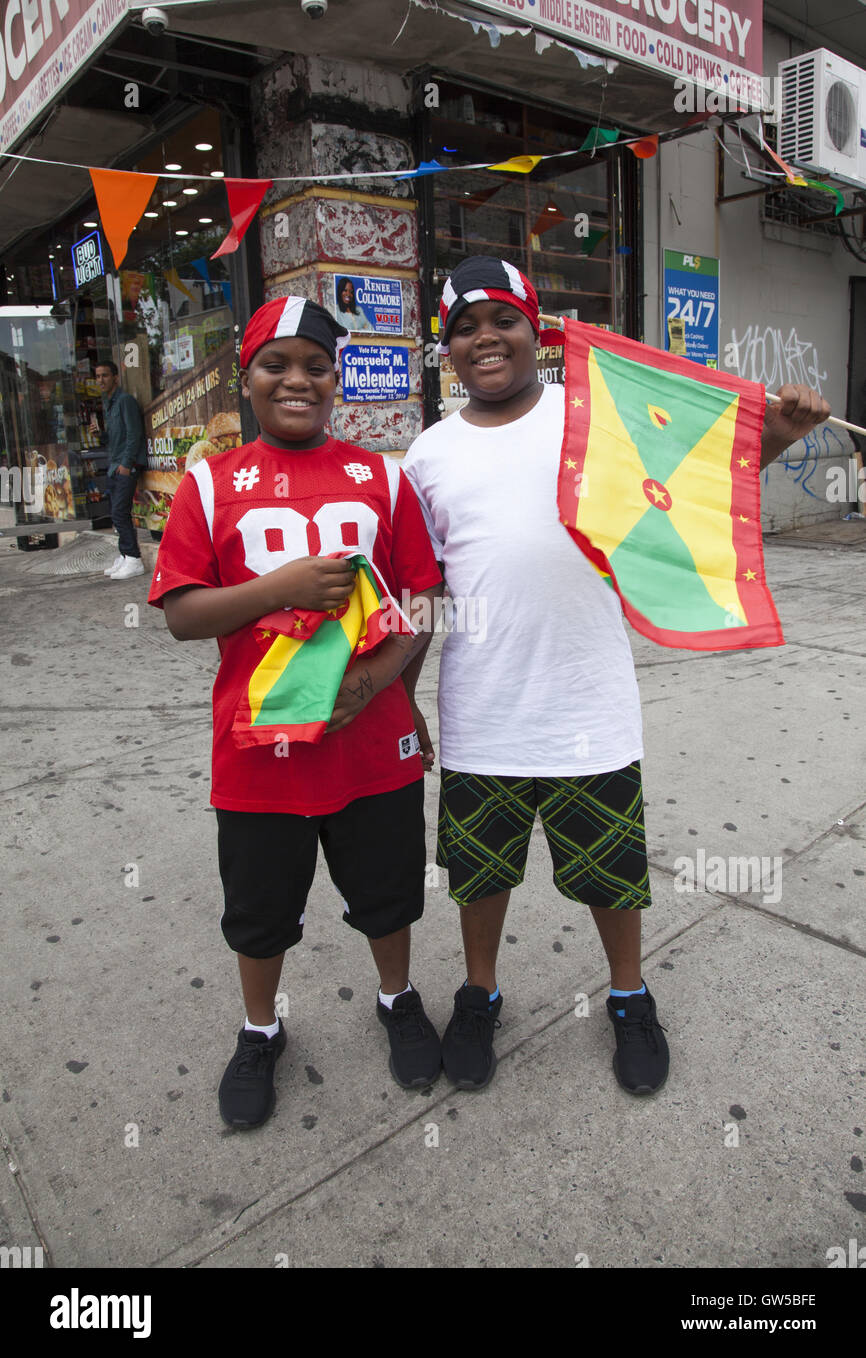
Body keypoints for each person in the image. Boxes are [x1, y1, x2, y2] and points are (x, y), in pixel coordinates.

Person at [401, 256, 831, 1097]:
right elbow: (425, 589)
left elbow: (705, 484)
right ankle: (480, 992)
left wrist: (783, 431)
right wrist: (402, 694)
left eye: (503, 320)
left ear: (539, 331)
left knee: (612, 874)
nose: (484, 339)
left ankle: (629, 996)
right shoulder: (428, 453)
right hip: (482, 709)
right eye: (463, 327)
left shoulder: (593, 416)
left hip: (588, 706)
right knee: (478, 876)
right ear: (446, 348)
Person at [147, 296, 444, 1129]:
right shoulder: (208, 484)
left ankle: (397, 998)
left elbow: (422, 601)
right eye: (276, 364)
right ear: (245, 380)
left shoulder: (382, 475)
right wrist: (277, 589)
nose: (297, 379)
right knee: (260, 907)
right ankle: (260, 1028)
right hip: (257, 749)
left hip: (370, 738)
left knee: (388, 890)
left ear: (337, 378)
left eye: (316, 364)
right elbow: (180, 616)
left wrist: (378, 685)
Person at [95, 360, 147, 580]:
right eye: (97, 376)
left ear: (115, 377)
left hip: (126, 466)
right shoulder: (109, 403)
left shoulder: (125, 401)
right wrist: (101, 435)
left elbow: (134, 434)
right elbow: (117, 437)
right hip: (114, 466)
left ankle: (134, 559)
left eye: (105, 375)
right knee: (117, 515)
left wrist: (126, 464)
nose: (101, 380)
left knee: (119, 512)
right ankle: (125, 555)